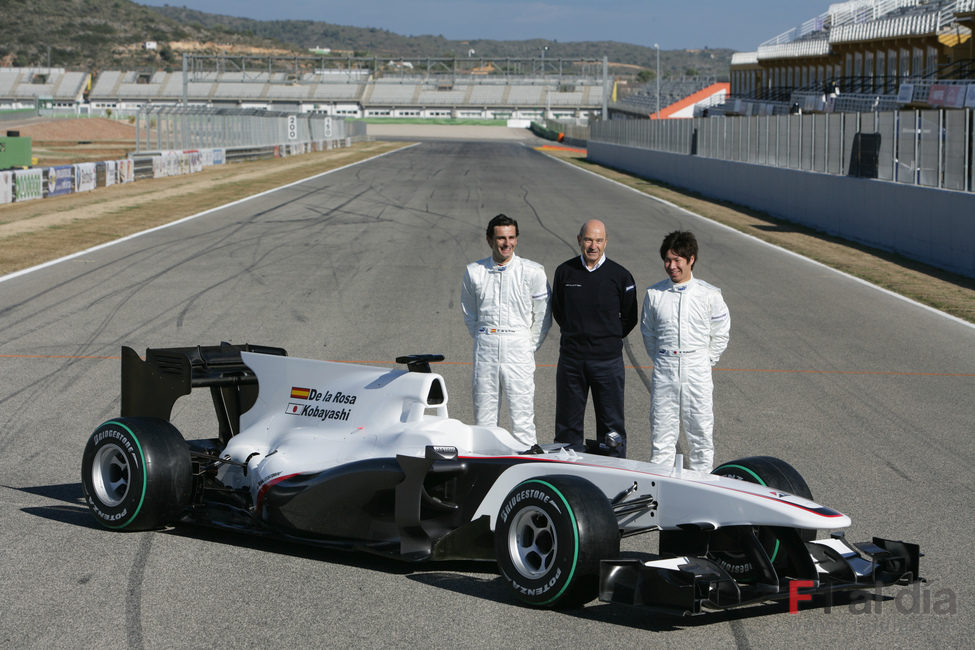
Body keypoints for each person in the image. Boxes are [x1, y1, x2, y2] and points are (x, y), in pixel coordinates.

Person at [641, 230, 730, 472]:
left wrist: (704, 361)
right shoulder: (654, 294)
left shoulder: (709, 294)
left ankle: (702, 489)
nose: (671, 266)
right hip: (665, 368)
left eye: (677, 260)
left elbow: (721, 333)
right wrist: (664, 360)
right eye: (667, 260)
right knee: (661, 436)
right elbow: (648, 334)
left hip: (697, 369)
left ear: (691, 259)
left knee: (700, 435)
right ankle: (660, 490)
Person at [461, 213, 552, 449]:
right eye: (501, 238)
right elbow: (470, 314)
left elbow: (543, 316)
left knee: (522, 418)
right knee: (484, 418)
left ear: (517, 239)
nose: (506, 243)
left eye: (511, 237)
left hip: (518, 348)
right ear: (490, 240)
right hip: (486, 346)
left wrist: (527, 345)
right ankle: (484, 469)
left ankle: (526, 469)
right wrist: (485, 336)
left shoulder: (532, 271)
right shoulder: (474, 272)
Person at [551, 219, 638, 457]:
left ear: (606, 242)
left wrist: (605, 340)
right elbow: (559, 311)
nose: (593, 245)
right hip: (572, 362)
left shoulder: (621, 276)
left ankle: (613, 476)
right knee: (567, 428)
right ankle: (567, 478)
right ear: (579, 240)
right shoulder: (564, 272)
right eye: (588, 239)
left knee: (611, 430)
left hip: (607, 363)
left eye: (599, 240)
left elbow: (629, 318)